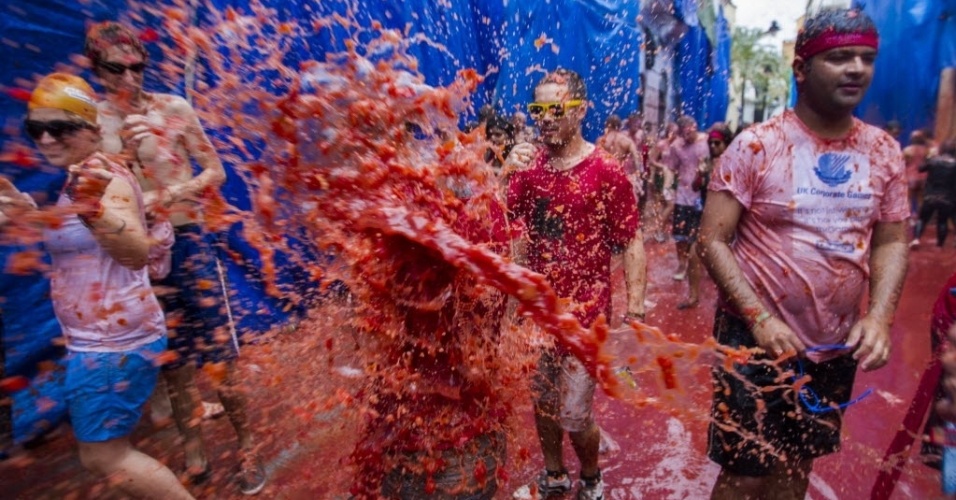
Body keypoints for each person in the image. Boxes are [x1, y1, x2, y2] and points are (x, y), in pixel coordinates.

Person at [699, 8, 909, 499]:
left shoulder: (882, 152)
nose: (856, 69)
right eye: (838, 58)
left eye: (865, 58)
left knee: (796, 467)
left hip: (834, 343)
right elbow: (712, 239)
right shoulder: (757, 146)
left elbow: (892, 240)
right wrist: (759, 317)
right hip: (751, 340)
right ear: (801, 68)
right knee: (745, 472)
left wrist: (879, 318)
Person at [85, 22, 265, 495]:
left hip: (187, 240)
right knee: (173, 358)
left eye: (136, 67)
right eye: (115, 70)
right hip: (139, 251)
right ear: (96, 70)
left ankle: (248, 446)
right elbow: (89, 189)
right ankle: (195, 449)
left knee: (221, 355)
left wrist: (170, 192)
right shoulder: (94, 122)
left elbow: (216, 171)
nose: (128, 79)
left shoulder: (174, 108)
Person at [0, 73, 193, 499]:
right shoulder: (79, 176)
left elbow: (134, 252)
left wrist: (94, 213)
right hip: (100, 339)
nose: (47, 139)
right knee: (109, 455)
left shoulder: (103, 177)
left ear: (90, 129)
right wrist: (24, 210)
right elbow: (77, 238)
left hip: (114, 343)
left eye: (61, 127)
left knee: (104, 457)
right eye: (37, 129)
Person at [507, 68, 647, 500]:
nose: (545, 118)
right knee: (543, 403)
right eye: (538, 109)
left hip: (586, 316)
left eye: (556, 108)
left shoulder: (606, 170)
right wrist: (501, 172)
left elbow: (631, 241)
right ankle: (553, 476)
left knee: (573, 413)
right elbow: (514, 235)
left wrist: (635, 313)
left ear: (581, 109)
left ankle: (590, 476)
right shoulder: (527, 171)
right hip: (539, 314)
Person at [682, 123, 733, 309]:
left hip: (729, 221)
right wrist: (701, 173)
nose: (712, 146)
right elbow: (696, 187)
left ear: (727, 143)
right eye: (711, 143)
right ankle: (693, 296)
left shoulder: (734, 163)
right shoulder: (706, 162)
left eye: (717, 143)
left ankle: (728, 302)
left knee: (727, 263)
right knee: (694, 256)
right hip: (706, 218)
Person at [667, 115, 709, 310]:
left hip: (701, 195)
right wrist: (668, 188)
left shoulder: (707, 141)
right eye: (684, 134)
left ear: (695, 127)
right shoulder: (676, 145)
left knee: (697, 234)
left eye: (690, 132)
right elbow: (672, 168)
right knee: (679, 234)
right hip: (683, 194)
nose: (687, 136)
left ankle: (695, 265)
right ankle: (681, 264)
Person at [912, 140, 956, 247]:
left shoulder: (933, 161)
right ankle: (940, 245)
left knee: (922, 219)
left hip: (930, 195)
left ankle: (916, 239)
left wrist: (929, 156)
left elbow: (920, 168)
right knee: (942, 221)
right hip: (947, 197)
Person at [597, 115, 641, 199]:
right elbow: (637, 159)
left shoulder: (601, 140)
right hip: (619, 177)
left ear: (607, 125)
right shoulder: (627, 141)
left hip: (603, 178)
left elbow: (594, 160)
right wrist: (636, 177)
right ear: (620, 126)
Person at [904, 130, 932, 227]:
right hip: (923, 177)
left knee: (909, 199)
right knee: (921, 199)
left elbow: (903, 163)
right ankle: (920, 220)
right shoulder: (927, 150)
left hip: (910, 177)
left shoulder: (908, 150)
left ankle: (911, 219)